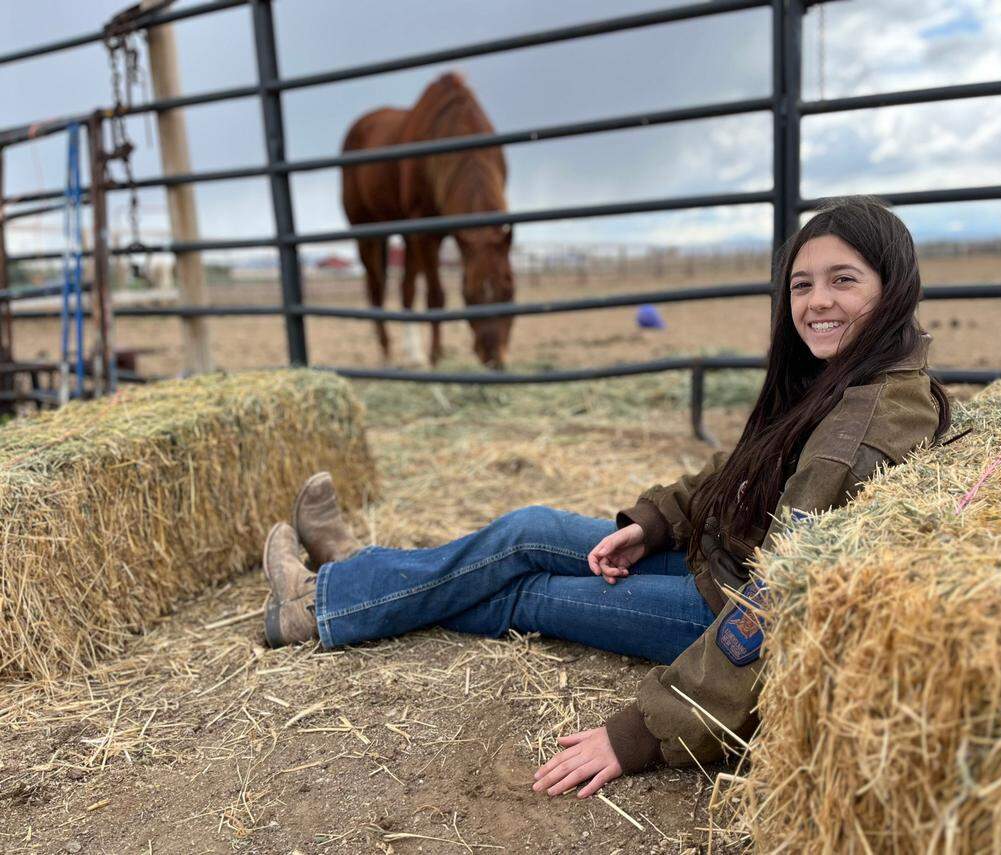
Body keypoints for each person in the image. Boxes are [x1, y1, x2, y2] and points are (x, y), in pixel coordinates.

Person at [260, 196, 952, 800]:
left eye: (843, 281)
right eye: (802, 284)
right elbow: (744, 468)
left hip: (722, 614)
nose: (816, 301)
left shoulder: (861, 430)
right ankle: (353, 577)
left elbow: (775, 610)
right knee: (528, 528)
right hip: (719, 565)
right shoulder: (846, 376)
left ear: (892, 288)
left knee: (527, 592)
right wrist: (655, 524)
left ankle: (322, 603)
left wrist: (639, 735)